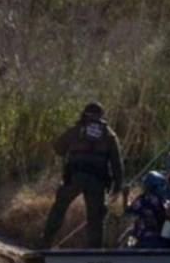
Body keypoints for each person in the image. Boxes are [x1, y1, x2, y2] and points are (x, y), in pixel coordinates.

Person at [43, 102, 124, 249]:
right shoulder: (109, 134)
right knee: (95, 219)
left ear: (85, 114)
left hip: (74, 177)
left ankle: (45, 244)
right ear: (101, 116)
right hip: (97, 181)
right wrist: (117, 187)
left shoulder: (76, 130)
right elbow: (117, 163)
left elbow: (58, 148)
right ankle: (93, 253)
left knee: (59, 209)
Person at [124, 171, 169, 248]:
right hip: (157, 240)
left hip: (141, 238)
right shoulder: (160, 201)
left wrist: (125, 196)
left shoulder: (141, 199)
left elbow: (128, 211)